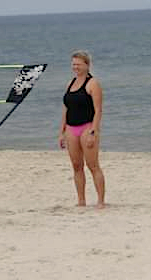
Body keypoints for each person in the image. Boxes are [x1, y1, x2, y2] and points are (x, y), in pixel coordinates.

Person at [58, 50, 106, 208]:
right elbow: (66, 109)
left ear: (87, 65)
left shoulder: (93, 84)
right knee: (76, 166)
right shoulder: (70, 83)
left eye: (78, 64)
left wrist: (94, 131)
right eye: (73, 64)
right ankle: (81, 200)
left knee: (93, 165)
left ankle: (100, 200)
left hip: (87, 127)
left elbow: (98, 110)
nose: (75, 67)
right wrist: (61, 132)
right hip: (71, 128)